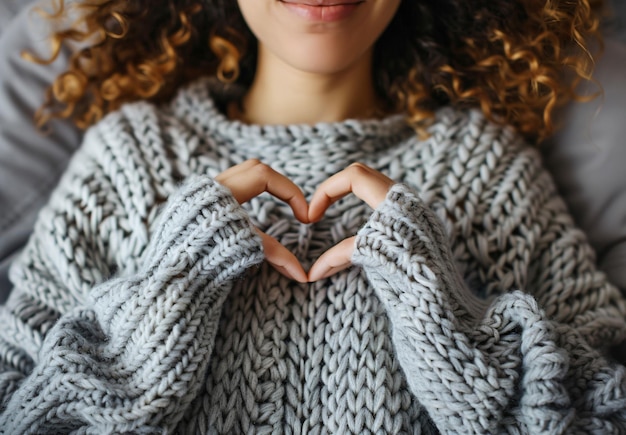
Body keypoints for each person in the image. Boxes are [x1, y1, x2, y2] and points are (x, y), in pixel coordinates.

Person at [1, 0, 625, 433]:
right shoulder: (130, 156)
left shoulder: (487, 170)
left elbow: (604, 410)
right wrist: (173, 288)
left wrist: (445, 313)